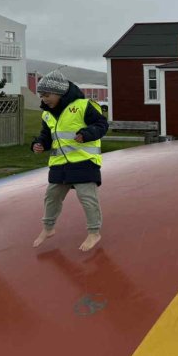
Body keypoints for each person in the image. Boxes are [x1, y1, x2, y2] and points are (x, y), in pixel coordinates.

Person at [31, 70, 109, 252]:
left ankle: (94, 232)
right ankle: (48, 228)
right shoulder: (47, 114)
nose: (44, 100)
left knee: (87, 198)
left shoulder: (83, 106)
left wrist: (86, 134)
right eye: (41, 96)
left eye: (47, 95)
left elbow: (102, 125)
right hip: (60, 165)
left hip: (84, 161)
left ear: (59, 92)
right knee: (51, 197)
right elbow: (46, 135)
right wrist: (39, 143)